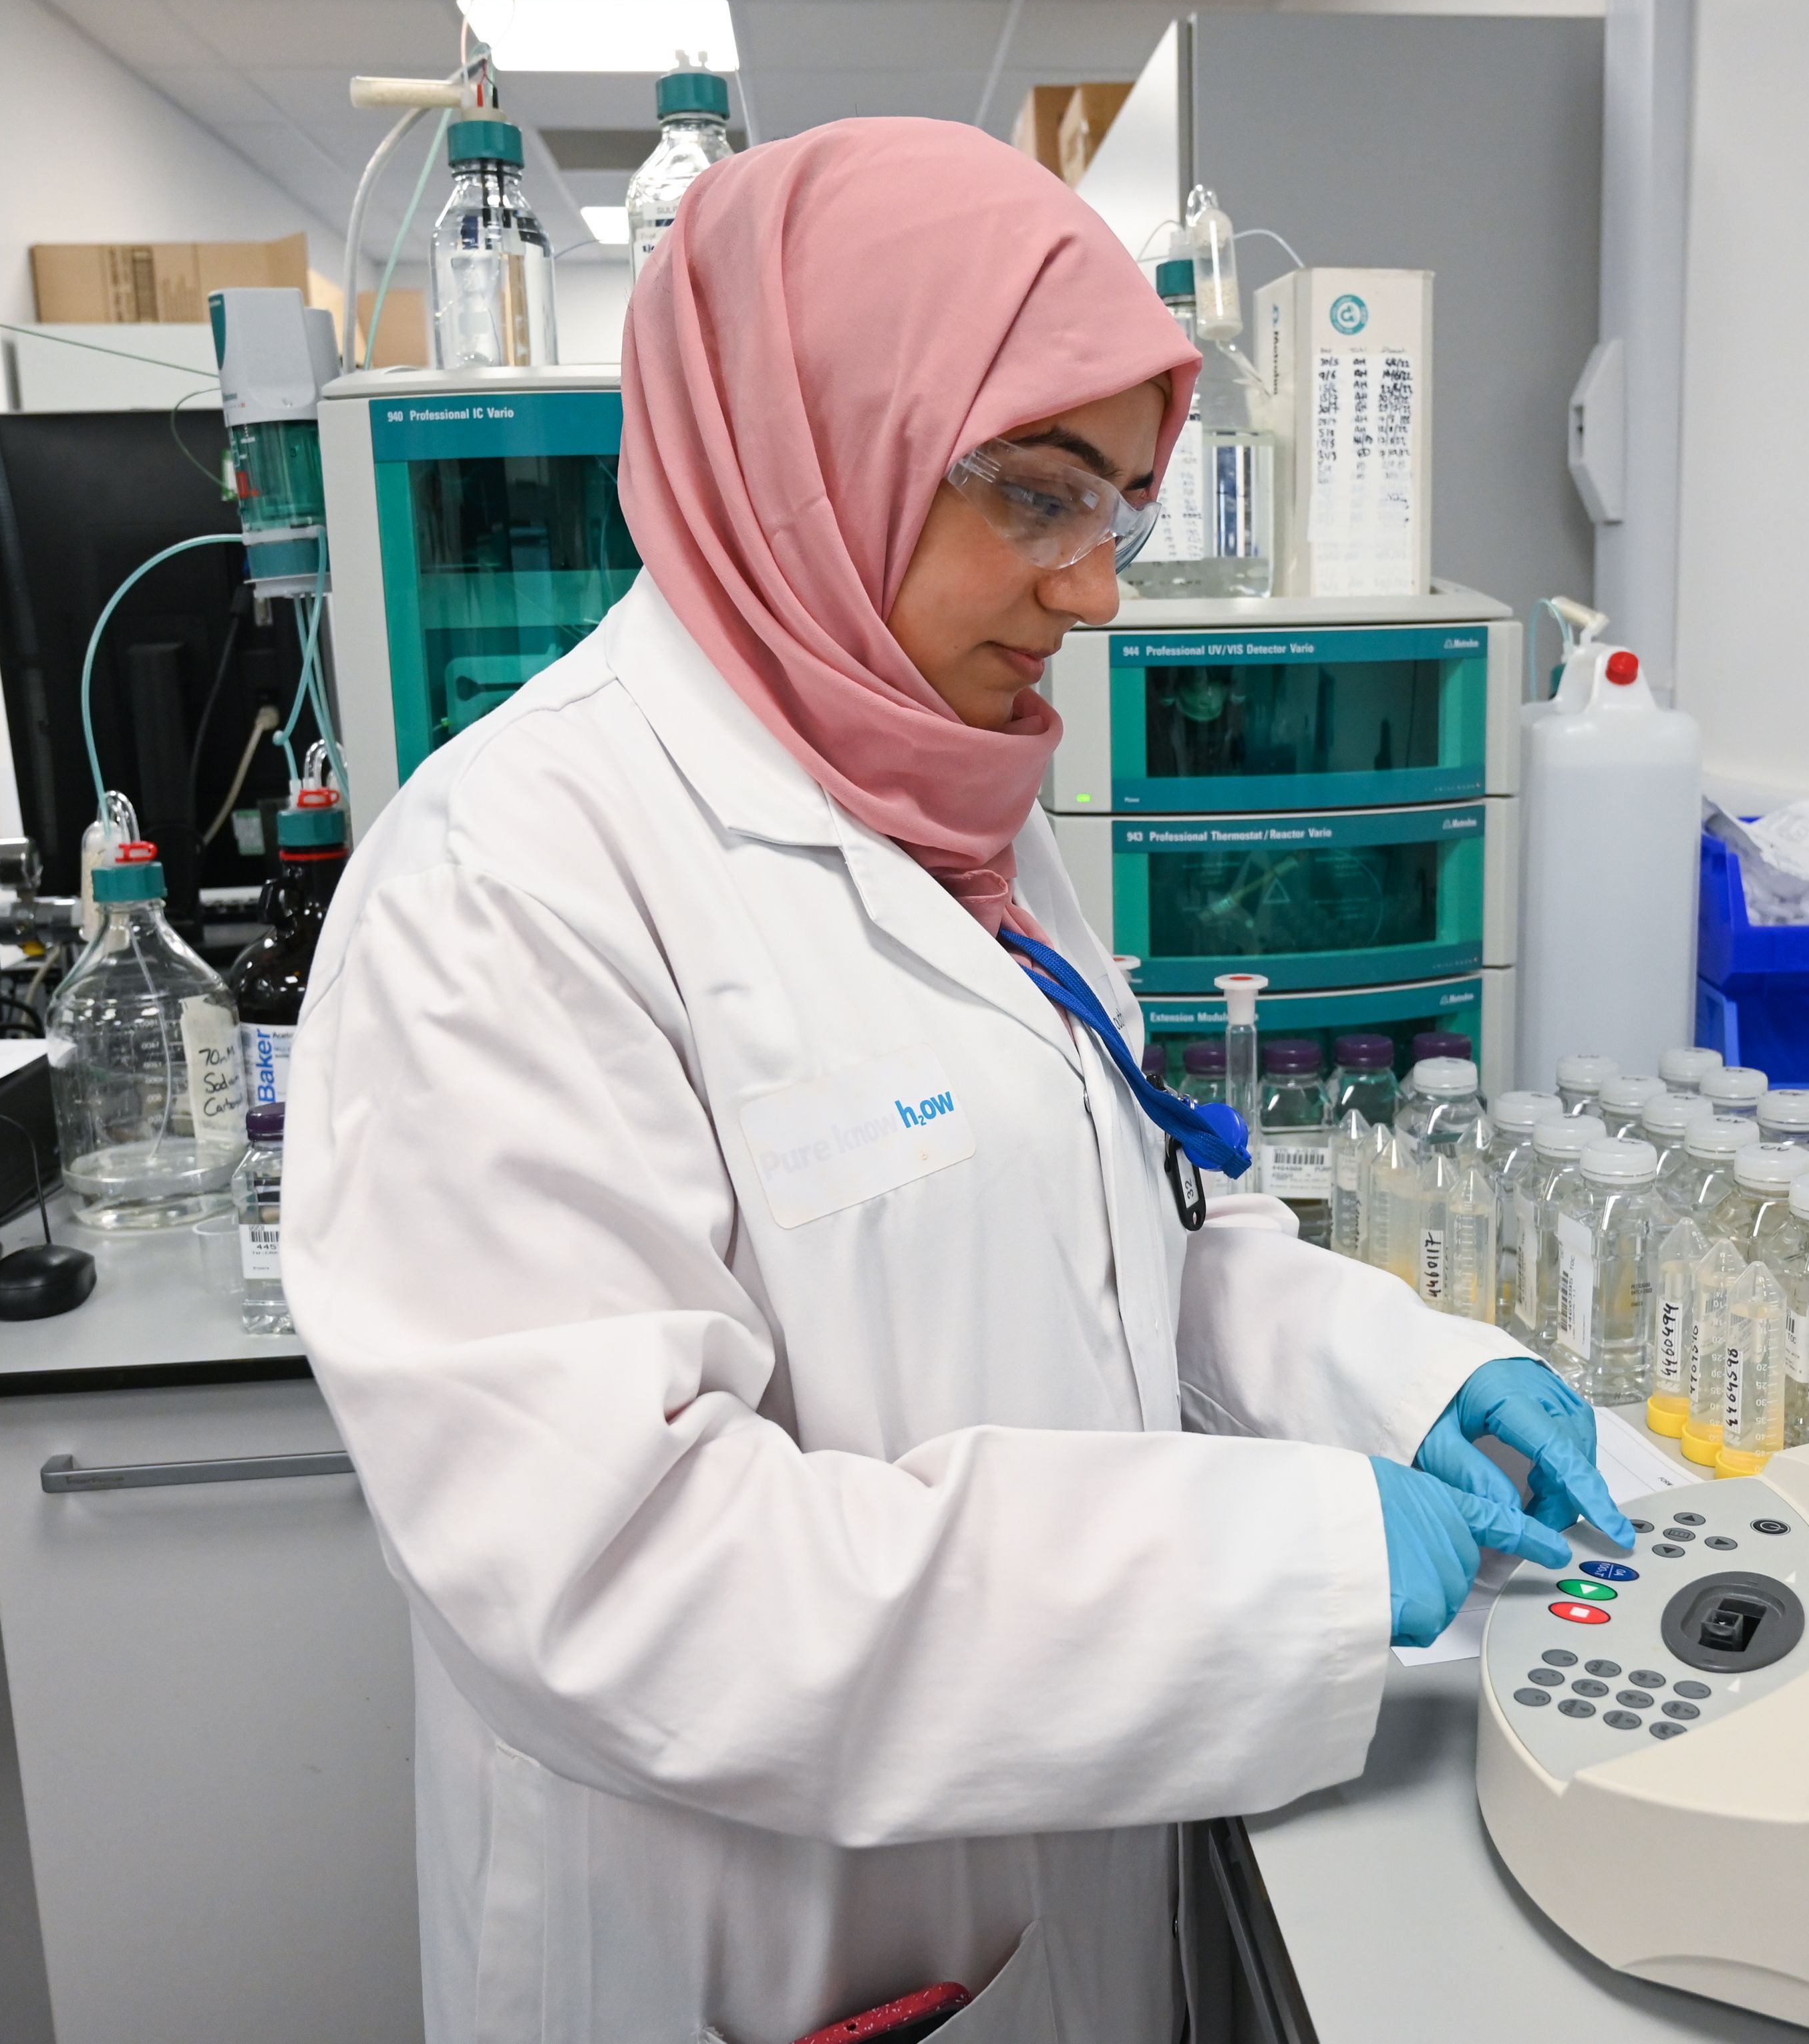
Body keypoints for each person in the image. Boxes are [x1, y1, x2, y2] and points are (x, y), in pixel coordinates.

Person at [285, 117, 1631, 2044]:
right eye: (1040, 498)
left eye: (1122, 512)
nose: (1096, 594)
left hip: (1072, 1886)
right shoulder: (508, 883)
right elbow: (628, 1581)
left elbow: (1123, 1225)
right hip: (758, 1956)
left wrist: (1400, 1376)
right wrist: (1280, 1567)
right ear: (822, 443)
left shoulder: (946, 794)